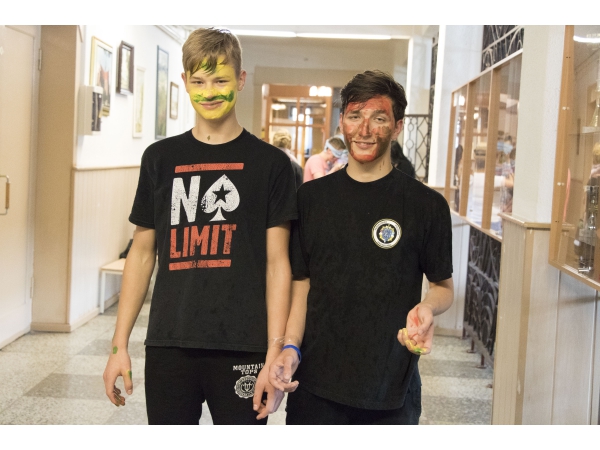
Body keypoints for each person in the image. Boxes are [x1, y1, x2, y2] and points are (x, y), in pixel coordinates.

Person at [102, 27, 297, 425]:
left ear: (240, 80)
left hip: (243, 344)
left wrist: (274, 350)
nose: (209, 92)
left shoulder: (271, 165)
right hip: (169, 342)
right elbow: (142, 254)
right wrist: (118, 345)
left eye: (221, 80)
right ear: (185, 82)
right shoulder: (160, 158)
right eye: (199, 81)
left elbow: (278, 264)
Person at [268, 69, 454, 425]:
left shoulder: (426, 205)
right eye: (355, 116)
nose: (364, 130)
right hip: (316, 384)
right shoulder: (310, 198)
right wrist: (290, 346)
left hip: (390, 385)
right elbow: (302, 284)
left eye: (379, 118)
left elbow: (443, 287)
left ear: (397, 126)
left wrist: (428, 307)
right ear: (342, 121)